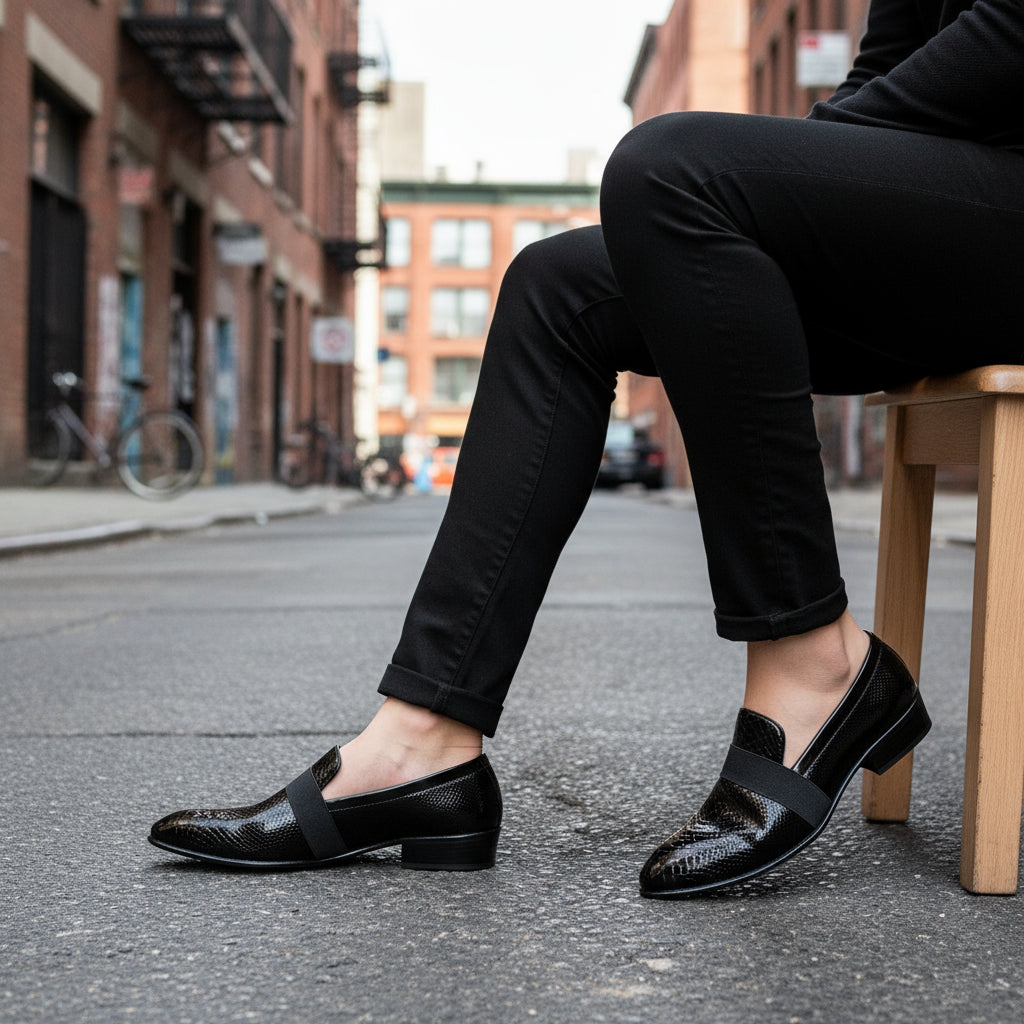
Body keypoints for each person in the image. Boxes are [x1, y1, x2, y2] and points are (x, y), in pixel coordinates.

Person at [149, 0, 1024, 895]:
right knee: (555, 284)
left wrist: (782, 173)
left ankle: (816, 660)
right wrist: (799, 175)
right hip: (937, 220)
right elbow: (890, 57)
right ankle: (423, 743)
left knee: (669, 166)